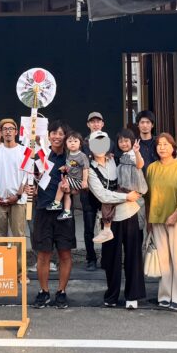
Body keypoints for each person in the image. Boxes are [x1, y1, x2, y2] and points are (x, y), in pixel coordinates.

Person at [87, 131, 146, 309]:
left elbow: (137, 167)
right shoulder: (89, 169)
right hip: (108, 218)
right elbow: (102, 195)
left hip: (129, 213)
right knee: (111, 258)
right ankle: (112, 295)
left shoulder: (116, 159)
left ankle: (132, 296)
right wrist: (126, 197)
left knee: (133, 255)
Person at [30, 120, 76, 309]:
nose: (57, 136)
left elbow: (80, 185)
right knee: (43, 254)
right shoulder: (40, 156)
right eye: (53, 133)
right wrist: (30, 189)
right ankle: (44, 291)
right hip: (43, 210)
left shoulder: (72, 157)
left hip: (64, 212)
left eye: (60, 133)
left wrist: (70, 188)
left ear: (66, 136)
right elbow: (31, 182)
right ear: (48, 136)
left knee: (65, 253)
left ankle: (61, 292)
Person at [145, 132, 177, 310]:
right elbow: (148, 196)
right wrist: (149, 220)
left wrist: (176, 213)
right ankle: (165, 295)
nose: (162, 147)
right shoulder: (152, 168)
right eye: (159, 144)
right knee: (163, 260)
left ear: (173, 147)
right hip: (157, 219)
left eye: (166, 144)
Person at [95, 129, 144, 243]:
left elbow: (140, 164)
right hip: (125, 188)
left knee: (107, 201)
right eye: (121, 141)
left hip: (130, 189)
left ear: (132, 141)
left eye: (126, 141)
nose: (123, 144)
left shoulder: (133, 154)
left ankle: (106, 230)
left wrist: (137, 152)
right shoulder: (122, 156)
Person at [0, 118, 28, 238]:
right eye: (4, 129)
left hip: (18, 200)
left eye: (11, 129)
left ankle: (19, 255)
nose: (8, 131)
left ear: (16, 132)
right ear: (1, 132)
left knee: (18, 235)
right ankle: (1, 253)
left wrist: (18, 195)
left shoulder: (24, 151)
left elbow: (27, 175)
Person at [81, 111, 106, 269]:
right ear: (88, 124)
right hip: (88, 191)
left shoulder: (108, 141)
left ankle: (106, 257)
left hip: (104, 190)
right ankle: (91, 258)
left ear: (102, 124)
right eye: (93, 122)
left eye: (98, 121)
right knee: (89, 227)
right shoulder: (82, 143)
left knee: (106, 225)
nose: (96, 124)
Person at [48, 130, 88, 221]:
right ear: (66, 143)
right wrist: (65, 167)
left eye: (75, 141)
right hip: (71, 179)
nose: (72, 143)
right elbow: (71, 165)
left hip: (78, 180)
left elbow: (85, 168)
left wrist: (85, 181)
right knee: (67, 193)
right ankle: (67, 211)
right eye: (70, 141)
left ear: (80, 144)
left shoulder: (82, 156)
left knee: (61, 184)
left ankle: (57, 203)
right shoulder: (69, 154)